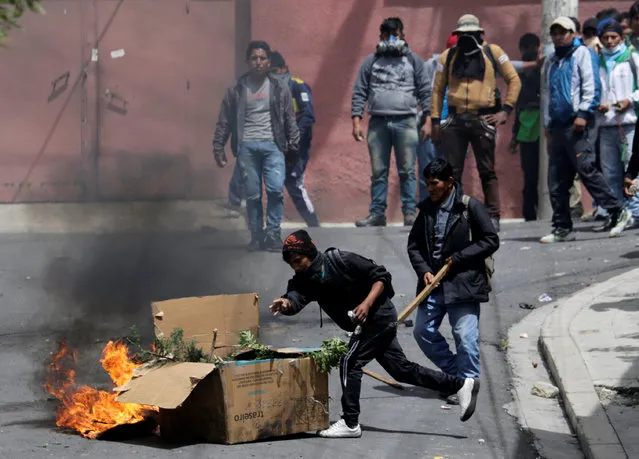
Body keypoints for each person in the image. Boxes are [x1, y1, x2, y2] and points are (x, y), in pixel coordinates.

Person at [270, 229, 480, 438]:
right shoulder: (305, 278)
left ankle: (350, 422)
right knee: (401, 370)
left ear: (310, 252)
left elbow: (380, 275)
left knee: (350, 362)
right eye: (291, 264)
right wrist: (286, 303)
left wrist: (366, 303)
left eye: (298, 261)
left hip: (379, 316)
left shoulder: (341, 260)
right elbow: (297, 297)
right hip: (367, 324)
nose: (295, 267)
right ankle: (461, 384)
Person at [407, 158, 498, 405]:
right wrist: (424, 270)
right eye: (427, 184)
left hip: (463, 284)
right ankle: (459, 378)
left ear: (449, 182)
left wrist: (459, 258)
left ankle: (468, 382)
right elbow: (414, 246)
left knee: (464, 336)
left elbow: (491, 240)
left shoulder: (470, 207)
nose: (431, 189)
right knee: (422, 331)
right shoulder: (426, 209)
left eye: (434, 183)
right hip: (433, 284)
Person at [540, 17, 631, 243]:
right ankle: (562, 227)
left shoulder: (582, 54)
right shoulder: (551, 61)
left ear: (573, 33)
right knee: (557, 178)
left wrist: (583, 113)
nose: (559, 36)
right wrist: (547, 126)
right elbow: (546, 96)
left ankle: (618, 211)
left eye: (564, 32)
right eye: (555, 33)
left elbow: (591, 85)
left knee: (586, 169)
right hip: (558, 126)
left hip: (578, 123)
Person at [431, 14, 522, 232]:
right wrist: (435, 120)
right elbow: (437, 89)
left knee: (487, 170)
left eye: (472, 34)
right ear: (457, 35)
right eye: (463, 34)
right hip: (455, 118)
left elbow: (514, 80)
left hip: (483, 118)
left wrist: (505, 111)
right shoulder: (449, 56)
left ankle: (493, 216)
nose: (467, 38)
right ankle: (455, 216)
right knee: (452, 171)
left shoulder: (493, 53)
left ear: (481, 34)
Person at [213, 41, 300, 251]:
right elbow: (224, 120)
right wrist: (218, 147)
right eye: (254, 58)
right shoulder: (236, 88)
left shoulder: (280, 87)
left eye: (262, 58)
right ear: (247, 61)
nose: (258, 62)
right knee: (252, 195)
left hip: (273, 146)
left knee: (275, 190)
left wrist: (293, 147)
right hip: (247, 148)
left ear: (268, 61)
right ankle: (256, 236)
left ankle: (273, 235)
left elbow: (289, 118)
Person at [351, 17, 431, 227]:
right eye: (387, 35)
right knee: (378, 171)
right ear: (381, 37)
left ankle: (410, 213)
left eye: (395, 34)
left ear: (403, 36)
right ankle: (377, 213)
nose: (391, 38)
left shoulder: (414, 61)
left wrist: (429, 121)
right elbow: (360, 91)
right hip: (378, 122)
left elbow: (425, 91)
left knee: (407, 170)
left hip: (406, 122)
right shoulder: (371, 61)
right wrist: (356, 121)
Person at [269, 51, 320, 227]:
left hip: (298, 146)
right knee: (273, 184)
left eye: (277, 71)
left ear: (285, 69)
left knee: (294, 183)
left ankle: (314, 225)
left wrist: (294, 139)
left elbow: (308, 116)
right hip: (276, 145)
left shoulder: (298, 86)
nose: (275, 76)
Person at [596, 19, 639, 227]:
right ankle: (618, 213)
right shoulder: (597, 61)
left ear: (622, 38)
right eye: (606, 38)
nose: (610, 41)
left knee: (632, 170)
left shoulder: (632, 59)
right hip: (606, 125)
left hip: (630, 123)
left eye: (614, 37)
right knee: (610, 172)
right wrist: (599, 105)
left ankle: (635, 212)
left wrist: (629, 100)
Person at [417, 33, 458, 201]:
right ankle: (428, 210)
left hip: (453, 127)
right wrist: (427, 121)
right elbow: (425, 94)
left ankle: (448, 209)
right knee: (427, 170)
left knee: (450, 172)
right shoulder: (432, 65)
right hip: (432, 124)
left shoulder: (468, 67)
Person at [510, 33, 542, 221]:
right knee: (531, 176)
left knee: (531, 176)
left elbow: (517, 105)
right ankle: (530, 214)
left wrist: (515, 135)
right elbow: (518, 105)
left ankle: (531, 214)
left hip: (533, 125)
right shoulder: (521, 71)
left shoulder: (528, 71)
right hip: (528, 125)